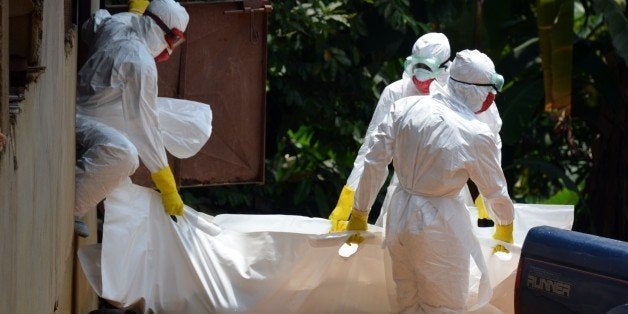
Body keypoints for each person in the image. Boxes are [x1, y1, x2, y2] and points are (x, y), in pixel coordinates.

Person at [345, 49, 515, 312]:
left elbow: (374, 163)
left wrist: (359, 212)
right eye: (490, 92)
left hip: (398, 216)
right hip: (439, 226)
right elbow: (494, 190)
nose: (491, 99)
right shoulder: (475, 132)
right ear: (474, 91)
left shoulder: (403, 108)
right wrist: (505, 224)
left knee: (407, 303)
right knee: (444, 307)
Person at [74, 0, 189, 237]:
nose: (169, 49)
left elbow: (89, 27)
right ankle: (71, 204)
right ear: (158, 29)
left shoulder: (117, 23)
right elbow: (144, 127)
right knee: (126, 156)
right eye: (172, 40)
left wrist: (132, 14)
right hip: (82, 118)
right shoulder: (140, 62)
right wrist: (166, 183)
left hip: (88, 107)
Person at [328, 32, 451, 232]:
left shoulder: (457, 96)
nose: (421, 81)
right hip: (404, 192)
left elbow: (482, 147)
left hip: (448, 197)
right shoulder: (396, 93)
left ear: (445, 68)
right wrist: (350, 198)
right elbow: (372, 151)